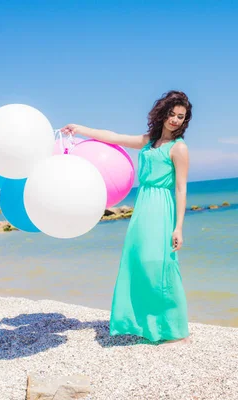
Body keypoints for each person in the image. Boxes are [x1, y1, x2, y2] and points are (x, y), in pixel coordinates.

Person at [61, 90, 192, 344]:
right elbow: (114, 137)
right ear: (163, 113)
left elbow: (181, 188)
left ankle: (175, 331)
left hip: (163, 206)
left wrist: (178, 228)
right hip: (144, 206)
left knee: (161, 264)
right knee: (139, 262)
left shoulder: (179, 148)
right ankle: (146, 325)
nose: (175, 120)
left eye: (181, 117)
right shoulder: (150, 141)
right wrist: (79, 128)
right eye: (173, 114)